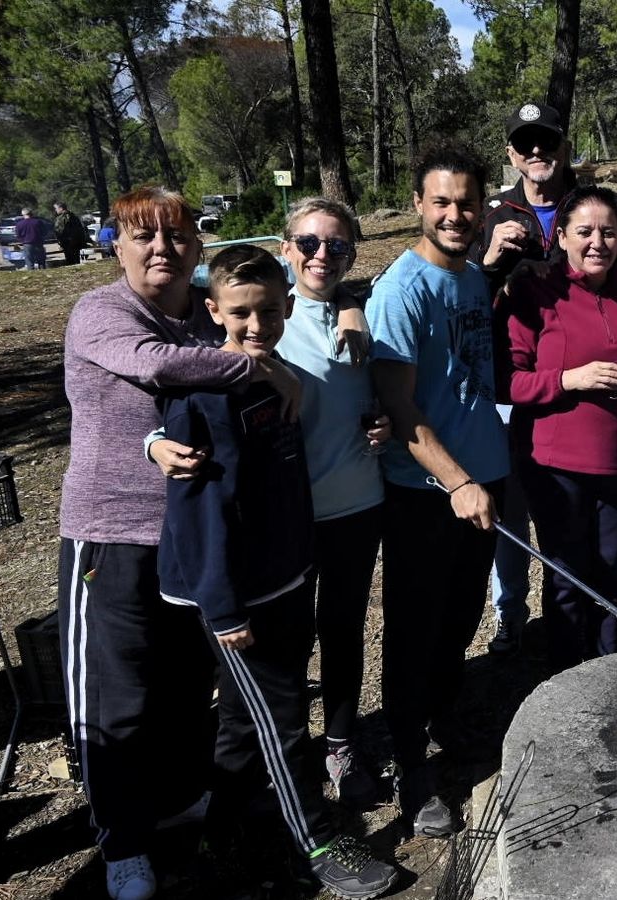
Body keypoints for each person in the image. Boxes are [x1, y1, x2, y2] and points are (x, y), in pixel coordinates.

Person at [58, 186, 302, 900]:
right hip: (111, 535)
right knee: (118, 697)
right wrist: (262, 368)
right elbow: (158, 367)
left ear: (197, 247)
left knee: (185, 686)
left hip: (189, 538)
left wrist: (282, 368)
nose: (162, 248)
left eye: (177, 236)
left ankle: (176, 802)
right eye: (144, 236)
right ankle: (122, 842)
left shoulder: (204, 313)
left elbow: (254, 330)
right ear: (116, 244)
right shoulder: (100, 312)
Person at [156, 246, 398, 899]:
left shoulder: (280, 375)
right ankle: (319, 842)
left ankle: (220, 831)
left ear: (288, 309)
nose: (255, 324)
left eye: (268, 310)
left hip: (287, 577)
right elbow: (200, 513)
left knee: (244, 721)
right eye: (240, 313)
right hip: (234, 597)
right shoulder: (202, 398)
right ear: (213, 312)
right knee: (283, 719)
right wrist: (222, 607)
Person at [368, 145, 509, 837]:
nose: (456, 214)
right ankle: (410, 766)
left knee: (458, 621)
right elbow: (397, 403)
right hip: (428, 490)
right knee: (414, 633)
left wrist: (481, 478)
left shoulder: (474, 279)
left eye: (467, 202)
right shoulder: (402, 289)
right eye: (442, 202)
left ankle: (448, 720)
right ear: (419, 205)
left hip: (484, 482)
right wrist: (455, 481)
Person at [505, 186, 617, 668]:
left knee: (609, 568)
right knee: (567, 576)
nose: (598, 242)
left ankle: (608, 670)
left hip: (616, 457)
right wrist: (570, 379)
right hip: (554, 461)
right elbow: (507, 381)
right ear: (562, 237)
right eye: (586, 231)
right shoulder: (537, 290)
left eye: (609, 231)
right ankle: (565, 678)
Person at [275, 197, 389, 808]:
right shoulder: (262, 316)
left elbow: (380, 398)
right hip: (290, 512)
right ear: (286, 248)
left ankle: (341, 743)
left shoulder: (364, 315)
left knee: (343, 630)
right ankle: (289, 755)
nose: (323, 254)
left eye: (337, 245)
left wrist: (384, 429)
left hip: (356, 503)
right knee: (288, 639)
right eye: (310, 243)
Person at [469, 100, 574, 654]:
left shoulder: (587, 203)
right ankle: (511, 611)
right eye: (524, 143)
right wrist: (491, 260)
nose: (537, 152)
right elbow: (464, 295)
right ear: (511, 152)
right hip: (509, 380)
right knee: (510, 508)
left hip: (573, 376)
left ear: (562, 145)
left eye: (546, 141)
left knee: (565, 503)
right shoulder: (491, 212)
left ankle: (570, 604)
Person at [54, 201, 89, 265]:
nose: (55, 210)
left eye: (56, 208)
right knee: (76, 260)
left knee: (70, 261)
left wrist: (60, 242)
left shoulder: (61, 218)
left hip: (67, 243)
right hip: (77, 242)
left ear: (61, 208)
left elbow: (59, 231)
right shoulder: (74, 216)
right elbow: (81, 229)